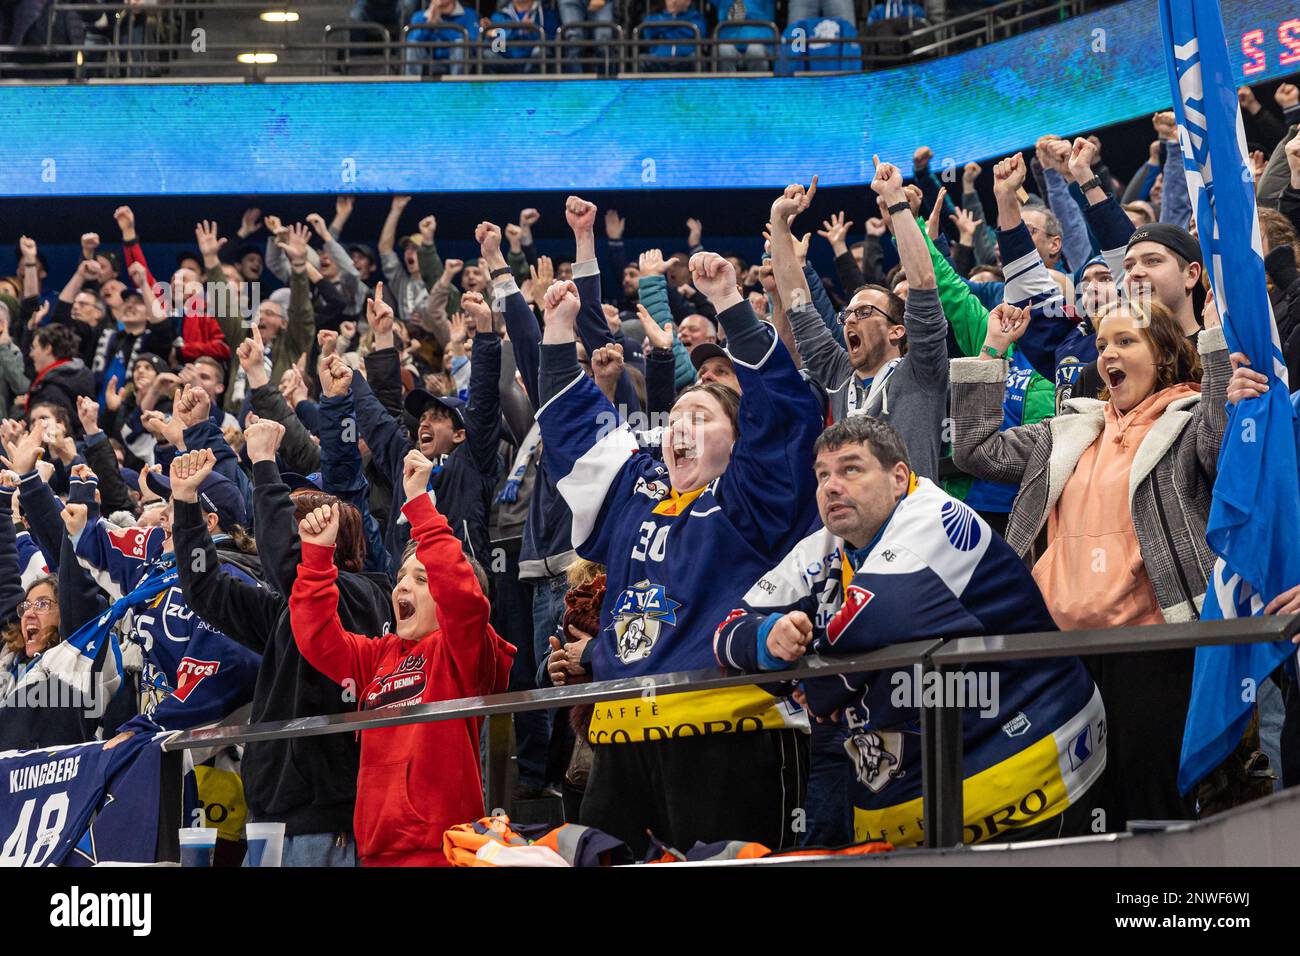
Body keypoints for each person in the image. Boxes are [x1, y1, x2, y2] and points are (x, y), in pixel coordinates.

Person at [535, 189, 823, 855]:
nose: (681, 430)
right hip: (621, 739)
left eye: (704, 418)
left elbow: (786, 414)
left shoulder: (753, 496)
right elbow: (577, 439)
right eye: (677, 419)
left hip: (729, 737)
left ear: (738, 437)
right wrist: (557, 335)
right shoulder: (638, 493)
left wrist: (730, 306)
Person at [716, 416, 1105, 846]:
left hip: (1031, 766)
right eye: (822, 475)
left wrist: (809, 679)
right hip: (921, 794)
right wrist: (770, 640)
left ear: (898, 477)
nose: (830, 486)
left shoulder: (935, 516)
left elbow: (873, 622)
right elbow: (725, 633)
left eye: (851, 469)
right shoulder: (824, 547)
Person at [951, 295, 1229, 829]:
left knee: (1154, 809)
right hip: (1063, 651)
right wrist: (992, 352)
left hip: (1156, 646)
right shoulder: (1068, 430)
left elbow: (1223, 447)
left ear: (1165, 354)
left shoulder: (1190, 418)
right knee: (1080, 814)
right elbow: (975, 450)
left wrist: (1215, 341)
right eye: (1102, 344)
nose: (1108, 354)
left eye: (1126, 341)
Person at [170, 431, 393, 867]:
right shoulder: (285, 610)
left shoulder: (363, 595)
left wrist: (264, 463)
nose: (268, 536)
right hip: (270, 816)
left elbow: (290, 567)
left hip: (332, 821)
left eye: (293, 524)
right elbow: (205, 589)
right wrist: (186, 504)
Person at [289, 449, 515, 866]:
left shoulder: (463, 651)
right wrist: (318, 557)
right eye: (400, 578)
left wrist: (419, 506)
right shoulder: (379, 654)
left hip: (443, 850)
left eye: (422, 578)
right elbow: (315, 637)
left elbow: (465, 601)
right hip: (373, 849)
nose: (402, 588)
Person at [788, 159, 948, 482]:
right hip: (849, 526)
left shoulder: (923, 371)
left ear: (897, 330)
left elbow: (923, 281)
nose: (849, 322)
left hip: (912, 526)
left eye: (863, 313)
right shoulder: (839, 374)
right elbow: (800, 310)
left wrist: (895, 200)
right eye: (847, 314)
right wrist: (780, 224)